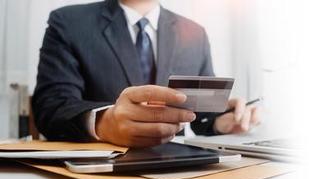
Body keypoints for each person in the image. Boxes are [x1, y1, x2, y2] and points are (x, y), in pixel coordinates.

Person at [32, 0, 259, 147]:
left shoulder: (196, 34)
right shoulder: (69, 22)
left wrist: (221, 124)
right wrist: (103, 122)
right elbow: (51, 107)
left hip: (179, 170)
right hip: (100, 171)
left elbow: (199, 118)